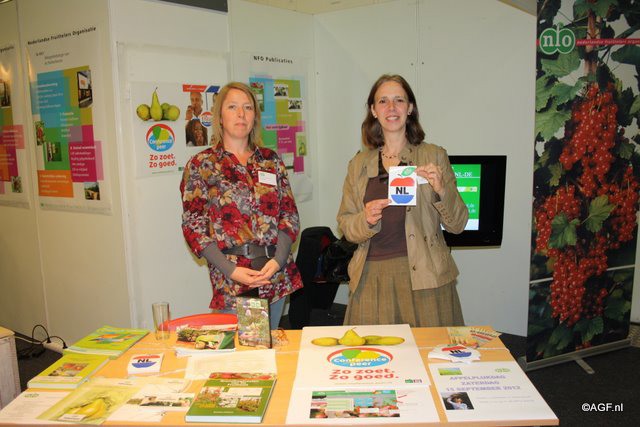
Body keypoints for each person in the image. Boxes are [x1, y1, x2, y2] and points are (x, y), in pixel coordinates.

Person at [336, 74, 468, 327]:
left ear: (410, 108)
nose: (391, 107)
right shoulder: (358, 164)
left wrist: (442, 190)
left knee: (429, 351)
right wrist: (366, 219)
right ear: (373, 110)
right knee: (373, 351)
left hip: (425, 276)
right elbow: (346, 225)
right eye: (383, 101)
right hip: (371, 277)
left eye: (399, 100)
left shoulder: (433, 155)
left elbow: (458, 224)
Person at [180, 82, 302, 329]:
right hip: (235, 280)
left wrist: (278, 261)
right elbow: (194, 227)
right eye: (232, 107)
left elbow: (289, 215)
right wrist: (230, 270)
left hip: (274, 274)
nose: (241, 114)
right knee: (244, 350)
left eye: (247, 107)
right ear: (220, 116)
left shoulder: (270, 161)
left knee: (270, 345)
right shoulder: (202, 164)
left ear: (254, 116)